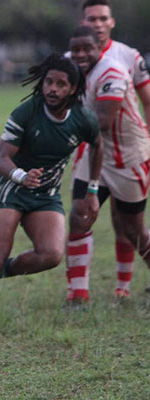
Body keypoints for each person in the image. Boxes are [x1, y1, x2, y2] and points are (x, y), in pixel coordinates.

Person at [0, 54, 103, 333]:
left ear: (73, 89)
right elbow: (0, 159)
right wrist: (21, 176)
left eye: (60, 84)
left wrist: (92, 189)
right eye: (49, 82)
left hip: (46, 194)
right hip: (11, 188)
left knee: (51, 255)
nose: (52, 88)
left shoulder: (83, 118)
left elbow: (98, 146)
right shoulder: (26, 112)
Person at [65, 0, 150, 301]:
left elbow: (103, 121)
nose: (80, 55)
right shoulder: (69, 63)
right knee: (79, 216)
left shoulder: (118, 66)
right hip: (92, 152)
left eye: (103, 18)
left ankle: (126, 284)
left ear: (110, 23)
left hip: (127, 155)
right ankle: (78, 296)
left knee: (131, 229)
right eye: (92, 19)